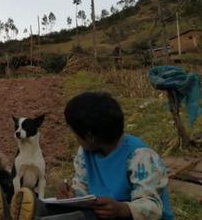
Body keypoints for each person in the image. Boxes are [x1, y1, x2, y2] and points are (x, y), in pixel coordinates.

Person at [10, 92, 174, 220]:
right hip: (99, 214)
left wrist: (122, 209)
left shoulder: (141, 157)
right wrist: (72, 195)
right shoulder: (85, 153)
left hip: (125, 217)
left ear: (89, 137)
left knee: (81, 217)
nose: (75, 137)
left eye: (74, 132)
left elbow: (153, 208)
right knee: (47, 207)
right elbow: (83, 189)